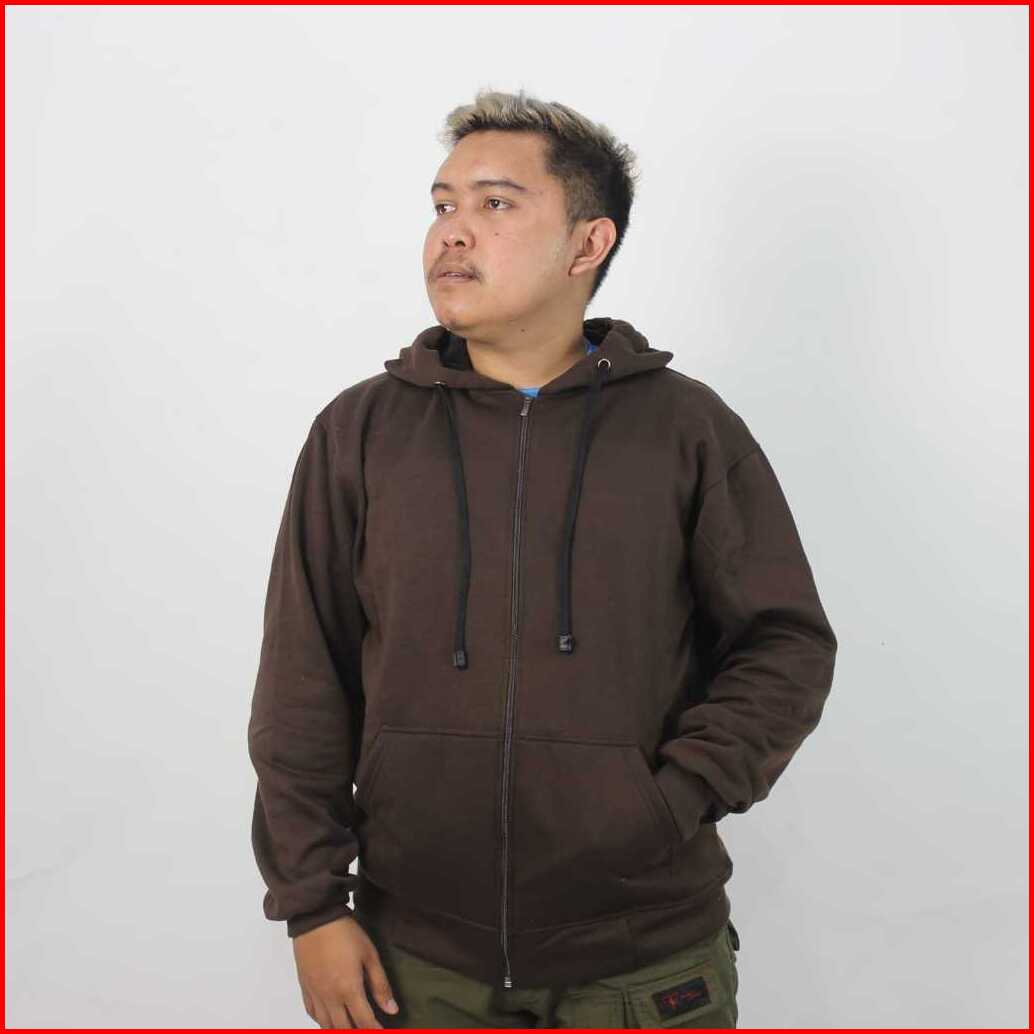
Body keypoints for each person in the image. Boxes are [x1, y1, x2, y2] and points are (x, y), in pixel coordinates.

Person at [247, 88, 838, 1029]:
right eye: (443, 204)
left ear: (587, 243)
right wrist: (312, 905)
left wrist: (672, 797)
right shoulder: (359, 432)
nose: (452, 232)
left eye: (495, 203)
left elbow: (785, 644)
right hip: (417, 958)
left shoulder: (686, 430)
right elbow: (301, 678)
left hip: (643, 961)